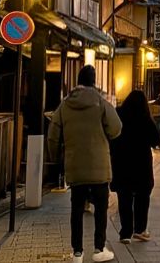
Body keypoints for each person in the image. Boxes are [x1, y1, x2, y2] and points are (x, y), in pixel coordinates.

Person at [47, 65, 122, 263]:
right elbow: (116, 128)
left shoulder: (65, 105)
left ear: (78, 81)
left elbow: (53, 135)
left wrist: (56, 159)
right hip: (99, 166)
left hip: (75, 166)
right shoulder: (101, 102)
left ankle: (77, 253)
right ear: (93, 81)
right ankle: (99, 249)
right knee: (101, 210)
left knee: (77, 209)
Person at [109, 90, 160, 244]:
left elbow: (110, 135)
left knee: (124, 196)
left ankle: (125, 233)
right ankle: (140, 229)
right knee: (142, 195)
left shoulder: (118, 114)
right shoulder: (145, 118)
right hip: (141, 162)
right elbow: (155, 139)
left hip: (121, 161)